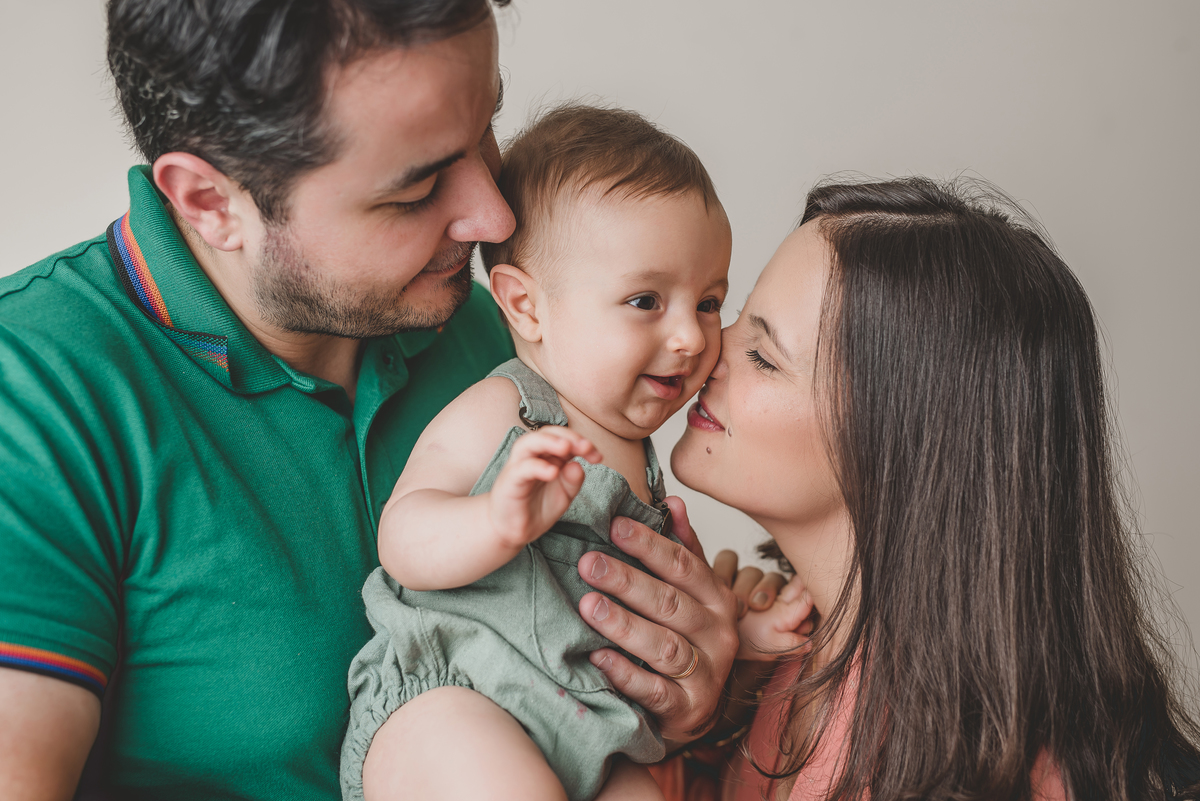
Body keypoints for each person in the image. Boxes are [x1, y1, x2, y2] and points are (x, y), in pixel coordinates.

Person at [0, 3, 740, 799]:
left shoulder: (506, 334)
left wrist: (678, 698)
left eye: (486, 129)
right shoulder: (34, 394)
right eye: (417, 186)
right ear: (211, 202)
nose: (494, 215)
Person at [664, 176, 1200, 800]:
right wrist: (696, 723)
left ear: (903, 437)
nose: (704, 349)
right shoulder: (777, 665)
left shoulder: (1004, 778)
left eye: (763, 355)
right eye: (731, 317)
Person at [340, 104, 733, 801]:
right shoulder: (509, 408)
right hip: (454, 703)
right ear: (525, 307)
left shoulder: (642, 459)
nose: (691, 337)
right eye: (646, 300)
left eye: (708, 302)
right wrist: (495, 519)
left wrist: (747, 636)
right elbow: (402, 537)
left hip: (588, 730)